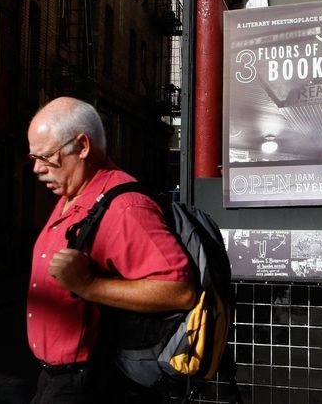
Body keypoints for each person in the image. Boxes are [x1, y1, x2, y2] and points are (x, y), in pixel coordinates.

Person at [26, 97, 196, 404]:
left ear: (82, 146)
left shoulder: (124, 207)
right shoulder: (73, 194)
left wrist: (89, 286)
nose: (38, 169)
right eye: (33, 157)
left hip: (89, 383)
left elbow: (179, 290)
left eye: (47, 156)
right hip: (54, 379)